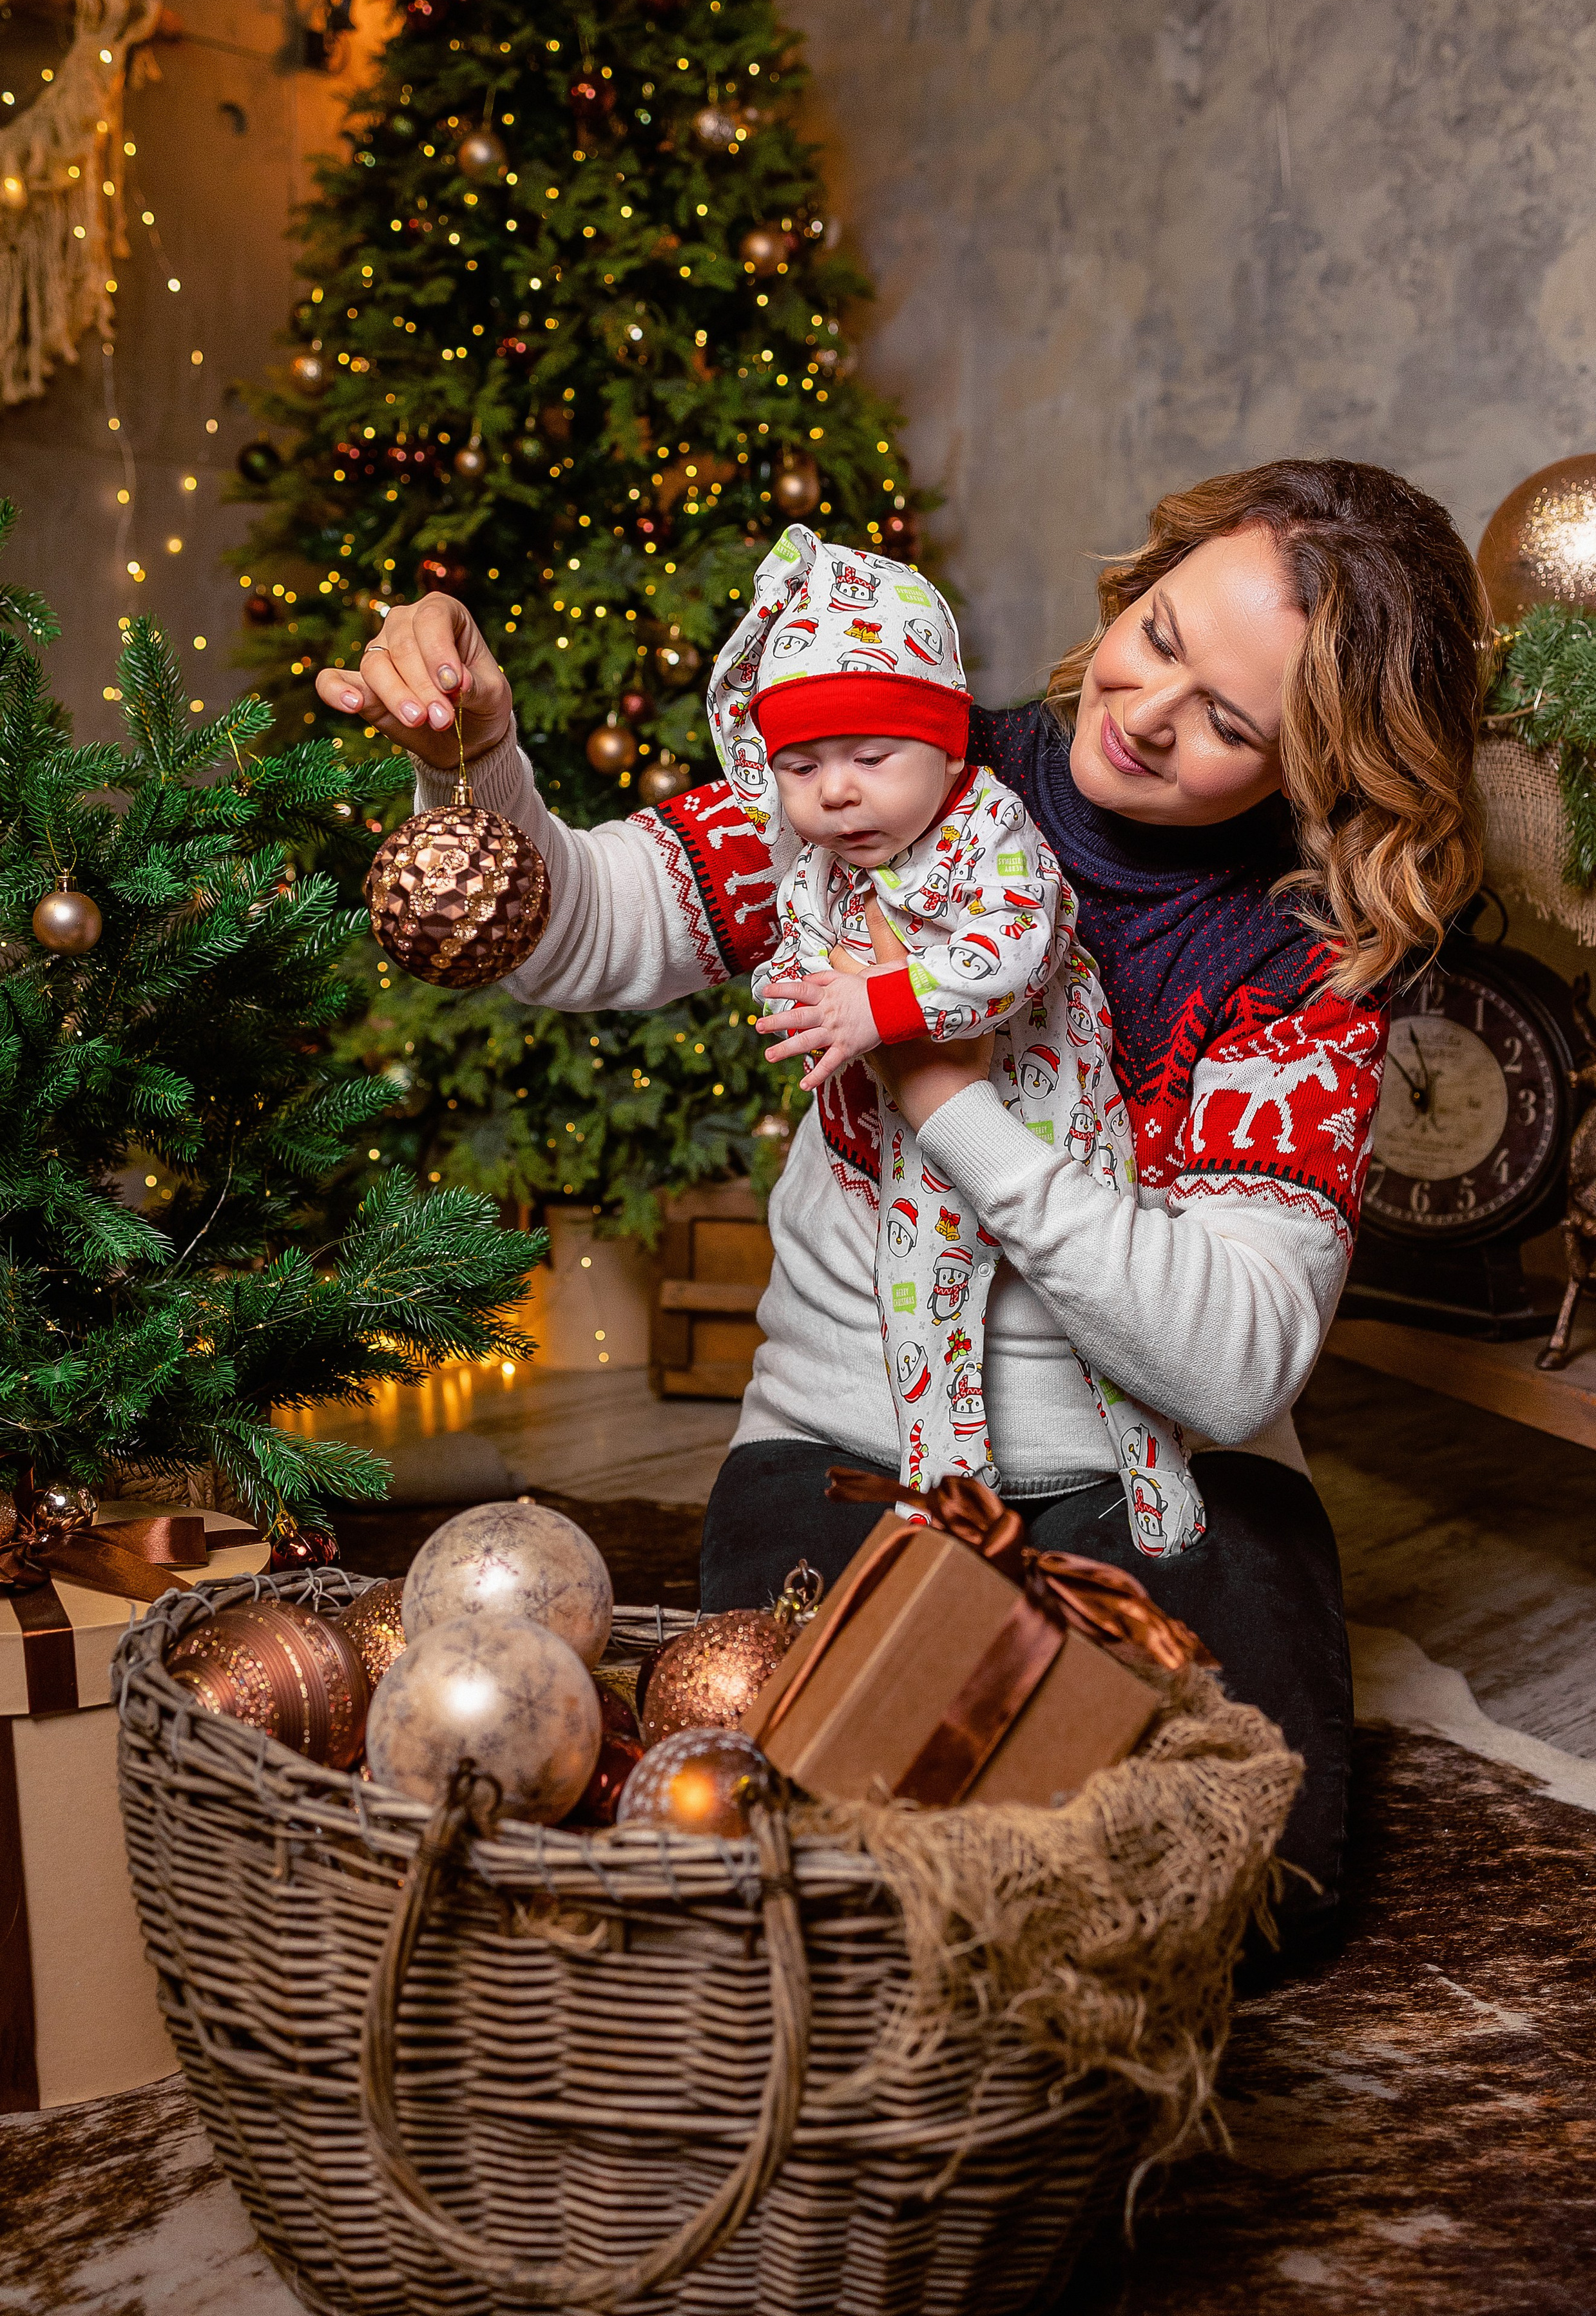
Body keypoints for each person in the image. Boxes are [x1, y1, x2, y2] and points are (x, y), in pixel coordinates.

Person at [316, 457, 1487, 1948]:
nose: (1142, 714)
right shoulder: (895, 762)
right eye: (1165, 641)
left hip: (1163, 1478)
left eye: (1227, 725)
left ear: (1309, 767)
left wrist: (945, 1094)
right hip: (853, 1447)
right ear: (1139, 584)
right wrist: (472, 760)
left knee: (1249, 1897)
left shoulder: (1292, 963)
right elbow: (576, 935)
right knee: (806, 1863)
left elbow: (1228, 1362)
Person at [706, 521, 1202, 1543]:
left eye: (870, 757)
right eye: (799, 766)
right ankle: (950, 1495)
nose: (835, 792)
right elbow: (803, 950)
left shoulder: (992, 829)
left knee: (1094, 1317)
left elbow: (1016, 949)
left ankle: (1153, 1471)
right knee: (919, 1311)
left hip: (1056, 1117)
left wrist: (874, 1007)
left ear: (942, 744)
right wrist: (807, 999)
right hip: (923, 1151)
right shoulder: (817, 866)